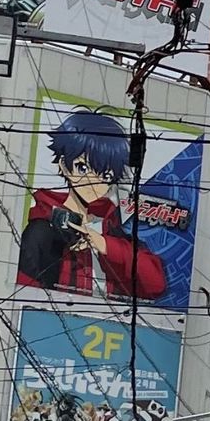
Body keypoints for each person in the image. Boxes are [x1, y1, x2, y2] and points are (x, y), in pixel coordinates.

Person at [15, 107, 169, 300]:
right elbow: (21, 298)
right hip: (52, 323)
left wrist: (102, 243)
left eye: (105, 174)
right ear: (64, 165)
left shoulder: (114, 233)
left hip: (114, 326)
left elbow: (156, 285)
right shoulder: (42, 231)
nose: (93, 181)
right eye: (83, 168)